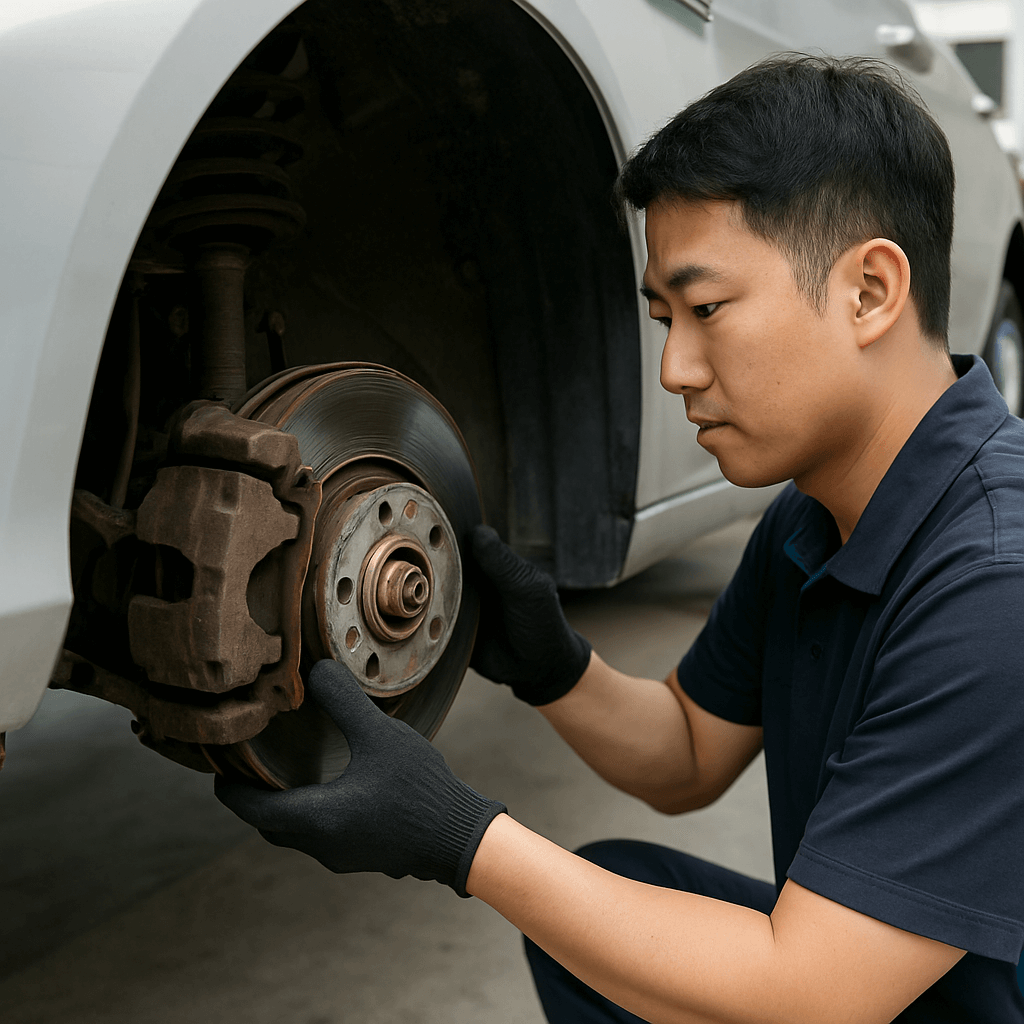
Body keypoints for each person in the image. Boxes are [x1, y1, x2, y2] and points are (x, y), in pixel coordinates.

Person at [216, 54, 1024, 1022]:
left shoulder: (994, 583)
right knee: (604, 905)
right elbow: (687, 751)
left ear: (868, 291)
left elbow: (811, 993)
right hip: (901, 986)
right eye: (661, 318)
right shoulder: (815, 515)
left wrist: (459, 839)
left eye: (706, 309)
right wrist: (551, 664)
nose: (675, 368)